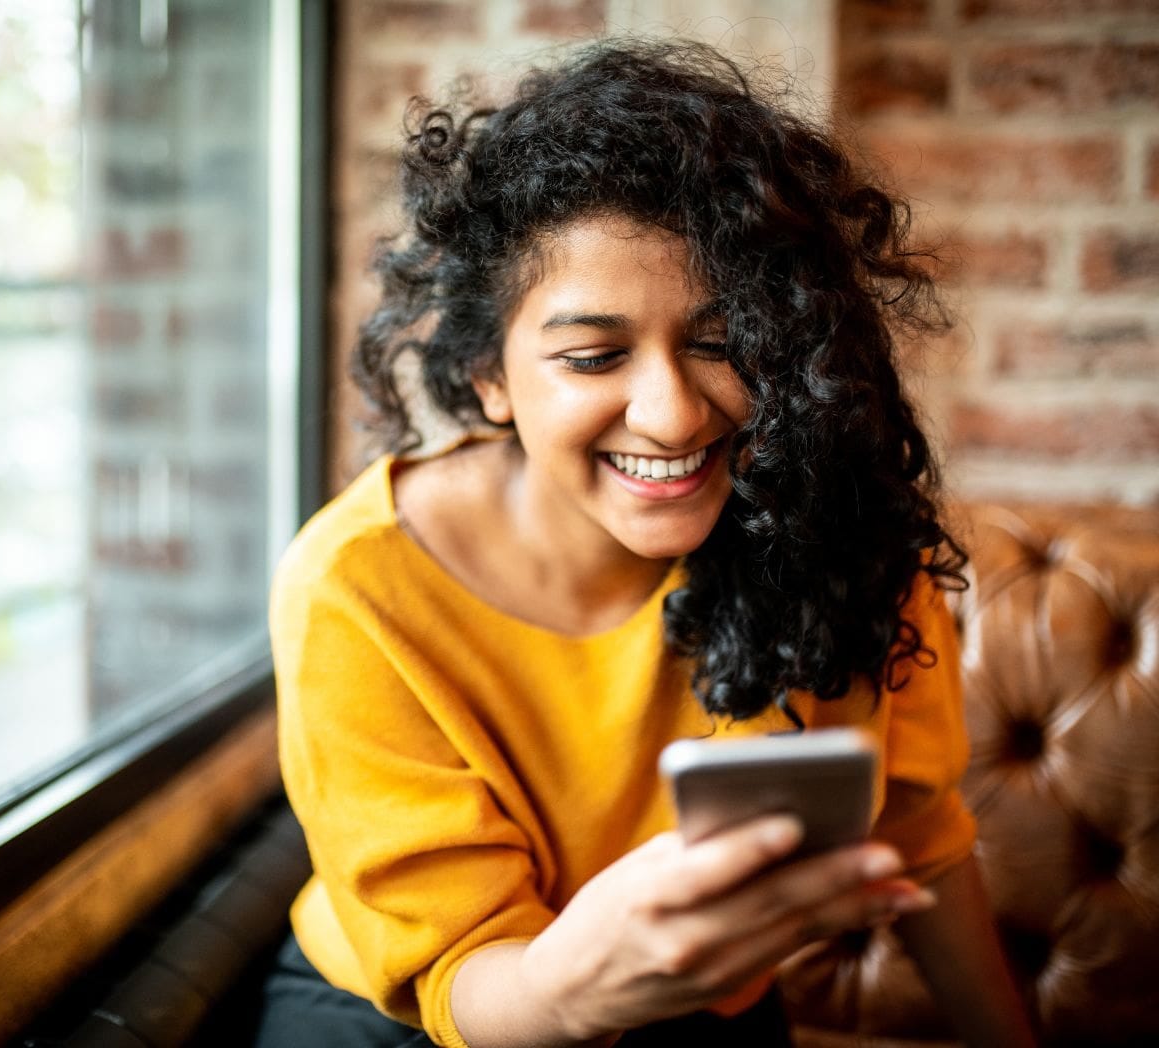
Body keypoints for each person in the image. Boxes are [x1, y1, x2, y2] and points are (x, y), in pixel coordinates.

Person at [257, 38, 1036, 1048]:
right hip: (417, 1016)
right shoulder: (355, 586)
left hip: (692, 1009)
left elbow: (921, 837)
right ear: (489, 375)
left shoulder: (837, 527)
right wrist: (578, 989)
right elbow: (460, 970)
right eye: (593, 355)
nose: (671, 416)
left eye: (720, 342)